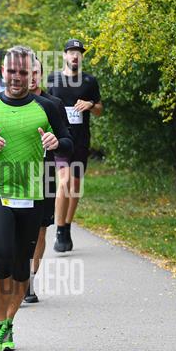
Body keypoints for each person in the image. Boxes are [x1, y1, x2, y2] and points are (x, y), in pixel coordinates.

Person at [0, 45, 73, 351]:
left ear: (32, 73)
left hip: (32, 194)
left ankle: (9, 322)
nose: (17, 77)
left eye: (23, 72)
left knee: (21, 269)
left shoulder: (47, 107)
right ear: (2, 71)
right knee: (0, 259)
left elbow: (68, 141)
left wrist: (56, 142)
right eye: (11, 71)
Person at [47, 38, 103, 253]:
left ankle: (67, 225)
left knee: (76, 186)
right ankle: (59, 229)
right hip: (61, 140)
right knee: (64, 181)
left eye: (78, 53)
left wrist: (90, 104)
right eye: (71, 52)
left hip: (81, 140)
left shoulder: (89, 81)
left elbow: (100, 110)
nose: (75, 56)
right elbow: (45, 105)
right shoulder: (53, 79)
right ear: (64, 55)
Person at [25, 56, 69, 303]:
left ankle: (29, 281)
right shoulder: (9, 103)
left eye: (36, 72)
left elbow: (67, 140)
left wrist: (56, 142)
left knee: (39, 229)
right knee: (16, 229)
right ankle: (16, 273)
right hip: (15, 174)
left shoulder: (53, 104)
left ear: (40, 74)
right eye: (27, 72)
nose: (31, 77)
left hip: (43, 174)